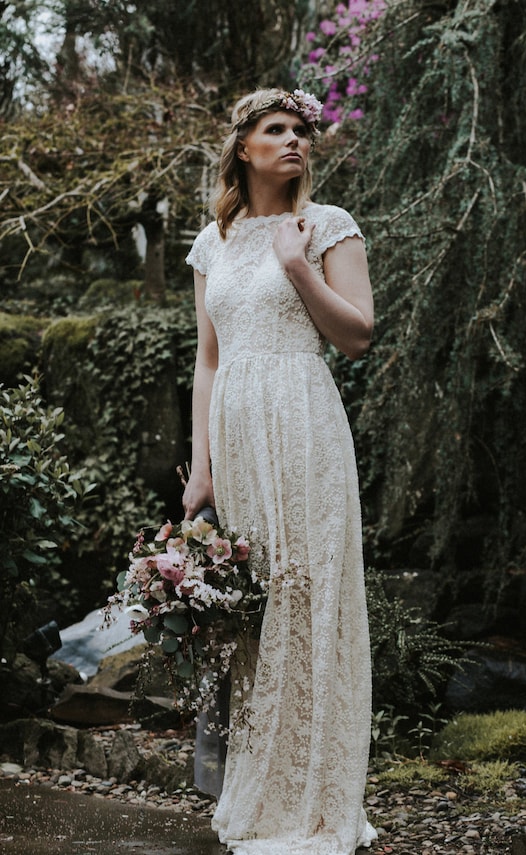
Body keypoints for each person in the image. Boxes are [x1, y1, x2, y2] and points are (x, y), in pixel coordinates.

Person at [183, 87, 377, 855]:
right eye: (277, 129)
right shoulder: (213, 241)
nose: (294, 140)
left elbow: (358, 334)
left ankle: (317, 802)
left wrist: (298, 267)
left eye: (302, 129)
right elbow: (206, 361)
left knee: (307, 596)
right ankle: (256, 788)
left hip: (301, 422)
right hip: (236, 433)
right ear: (244, 148)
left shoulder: (325, 227)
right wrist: (200, 471)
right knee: (256, 611)